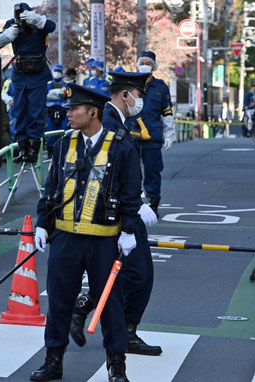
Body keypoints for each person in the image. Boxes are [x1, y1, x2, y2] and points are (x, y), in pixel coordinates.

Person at [31, 83, 142, 382]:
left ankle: (116, 367)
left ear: (93, 112)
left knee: (110, 305)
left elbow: (132, 192)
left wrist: (128, 229)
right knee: (58, 302)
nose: (67, 114)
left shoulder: (121, 145)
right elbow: (51, 188)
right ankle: (53, 362)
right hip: (65, 237)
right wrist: (43, 223)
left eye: (74, 109)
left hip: (104, 240)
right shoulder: (63, 144)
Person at [68, 71, 161, 358]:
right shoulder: (106, 122)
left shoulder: (120, 121)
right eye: (139, 95)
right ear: (126, 95)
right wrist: (135, 205)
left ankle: (112, 323)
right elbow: (100, 173)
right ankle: (112, 326)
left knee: (134, 274)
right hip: (114, 215)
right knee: (137, 274)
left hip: (122, 208)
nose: (141, 101)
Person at [0, 3, 56, 163]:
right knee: (19, 111)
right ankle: (22, 148)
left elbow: (51, 26)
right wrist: (12, 32)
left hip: (38, 73)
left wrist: (35, 19)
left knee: (36, 112)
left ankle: (33, 150)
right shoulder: (12, 24)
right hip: (20, 73)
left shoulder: (39, 23)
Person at [130, 50, 176, 217]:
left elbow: (167, 112)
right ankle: (132, 204)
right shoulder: (129, 84)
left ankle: (153, 204)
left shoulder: (161, 87)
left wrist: (170, 134)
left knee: (153, 171)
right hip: (131, 135)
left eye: (148, 63)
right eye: (142, 62)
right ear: (137, 64)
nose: (145, 66)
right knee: (131, 172)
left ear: (154, 67)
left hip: (153, 136)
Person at [45, 64, 69, 157]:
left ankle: (63, 151)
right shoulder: (48, 84)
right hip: (50, 111)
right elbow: (46, 96)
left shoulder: (66, 84)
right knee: (50, 132)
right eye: (56, 71)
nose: (57, 73)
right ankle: (50, 152)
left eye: (59, 72)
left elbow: (66, 96)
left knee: (64, 131)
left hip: (63, 111)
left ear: (62, 73)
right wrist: (58, 94)